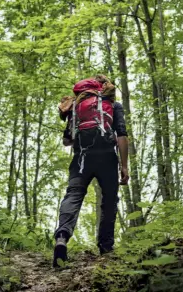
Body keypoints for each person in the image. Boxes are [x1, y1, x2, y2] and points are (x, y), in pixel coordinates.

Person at [53, 75, 129, 267]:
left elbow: (67, 140)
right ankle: (106, 248)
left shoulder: (76, 106)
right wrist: (124, 165)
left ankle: (62, 237)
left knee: (74, 195)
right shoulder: (113, 105)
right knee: (109, 199)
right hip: (107, 158)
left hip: (81, 158)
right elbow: (121, 134)